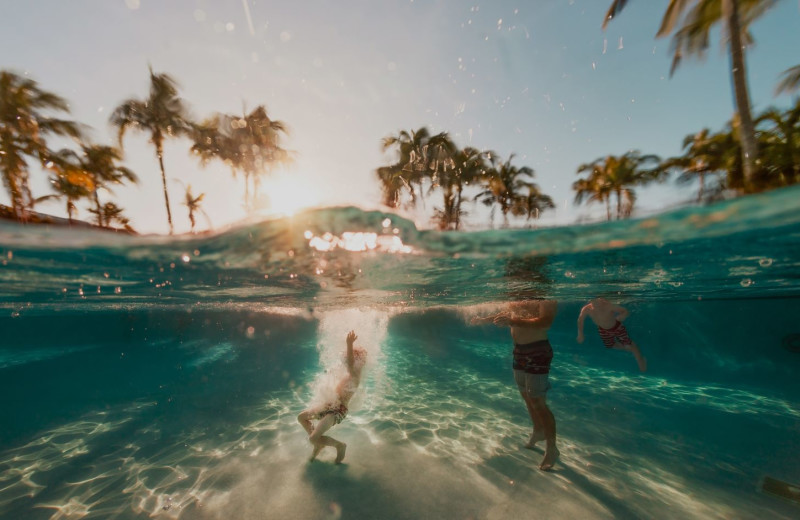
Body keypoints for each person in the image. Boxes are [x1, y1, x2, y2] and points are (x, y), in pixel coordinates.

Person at [471, 298, 560, 471]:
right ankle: (538, 430)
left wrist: (512, 321)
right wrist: (485, 320)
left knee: (538, 401)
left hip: (538, 351)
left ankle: (552, 448)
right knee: (526, 396)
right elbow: (507, 315)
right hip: (519, 351)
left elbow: (545, 321)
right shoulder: (518, 293)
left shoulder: (545, 294)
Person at [297, 330, 366, 463]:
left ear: (358, 361)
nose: (346, 360)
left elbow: (351, 364)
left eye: (351, 357)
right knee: (301, 418)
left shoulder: (355, 375)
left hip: (337, 411)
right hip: (329, 404)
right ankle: (318, 443)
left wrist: (349, 344)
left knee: (312, 438)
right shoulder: (347, 374)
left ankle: (339, 445)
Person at [577, 297, 646, 372]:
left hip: (617, 327)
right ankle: (629, 347)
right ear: (591, 301)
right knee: (610, 345)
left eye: (600, 301)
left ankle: (640, 360)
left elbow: (625, 311)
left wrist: (622, 316)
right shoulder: (586, 309)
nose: (599, 304)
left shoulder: (608, 306)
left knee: (629, 346)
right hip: (603, 330)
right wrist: (580, 334)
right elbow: (580, 320)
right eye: (596, 302)